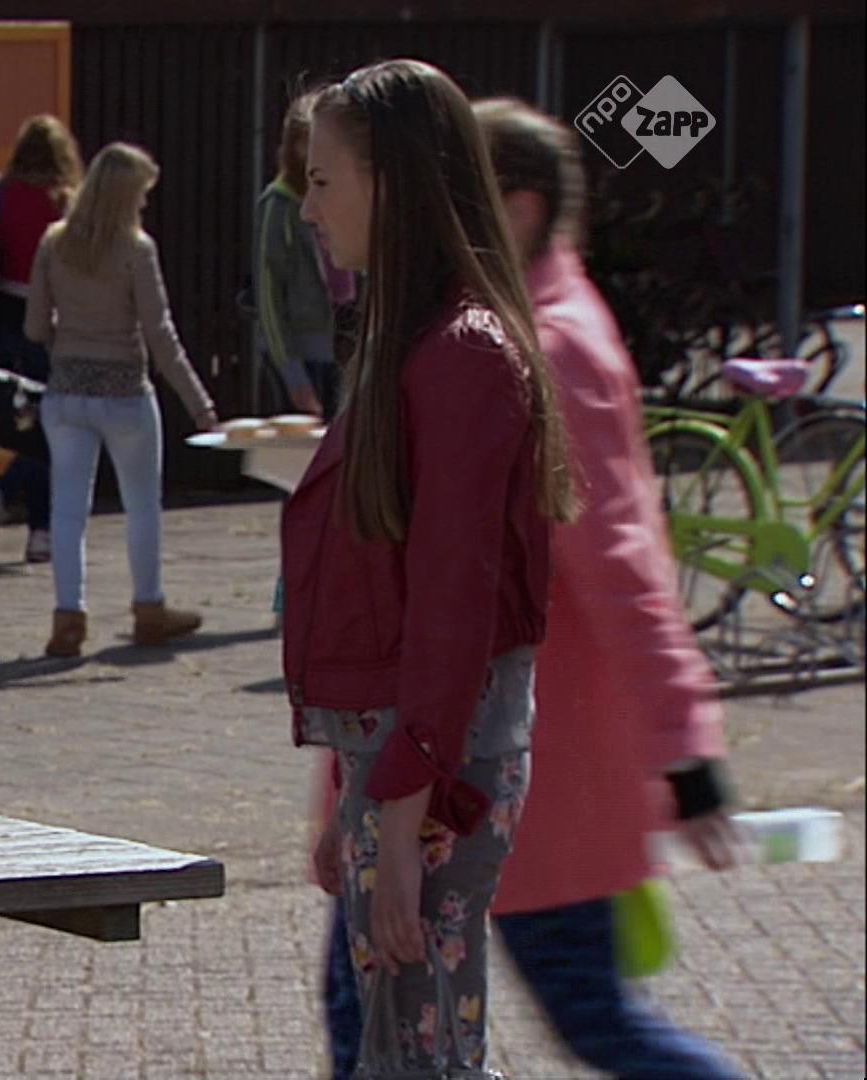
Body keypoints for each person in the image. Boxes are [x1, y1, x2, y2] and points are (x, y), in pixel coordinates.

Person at [317, 98, 746, 1080]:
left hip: (516, 773)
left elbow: (623, 563)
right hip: (466, 771)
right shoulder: (504, 330)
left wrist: (684, 748)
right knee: (409, 1020)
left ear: (512, 209)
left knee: (557, 1025)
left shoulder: (543, 348)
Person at [285, 59, 577, 1079]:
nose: (308, 208)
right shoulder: (415, 344)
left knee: (426, 1057)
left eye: (323, 180)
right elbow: (394, 595)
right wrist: (354, 789)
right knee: (409, 1049)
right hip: (407, 767)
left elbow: (453, 603)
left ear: (392, 182)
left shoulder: (461, 354)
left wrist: (401, 810)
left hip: (435, 774)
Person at [24, 142, 220, 658]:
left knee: (68, 510)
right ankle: (149, 609)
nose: (145, 204)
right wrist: (199, 404)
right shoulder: (137, 249)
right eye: (142, 194)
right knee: (142, 506)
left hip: (67, 393)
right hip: (125, 394)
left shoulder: (54, 244)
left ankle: (68, 617)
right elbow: (161, 336)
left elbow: (34, 326)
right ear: (126, 196)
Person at [0, 114, 84, 566]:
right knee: (51, 424)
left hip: (0, 313)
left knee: (29, 424)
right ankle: (31, 523)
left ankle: (20, 514)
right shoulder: (67, 201)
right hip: (50, 319)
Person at [256, 93, 355, 418]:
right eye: (308, 143)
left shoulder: (343, 195)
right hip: (299, 353)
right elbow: (269, 295)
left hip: (339, 347)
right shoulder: (279, 206)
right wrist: (292, 373)